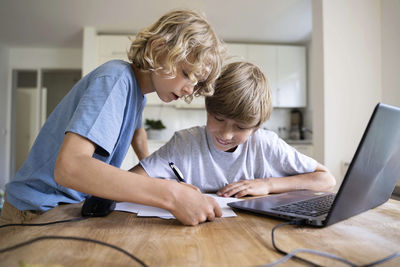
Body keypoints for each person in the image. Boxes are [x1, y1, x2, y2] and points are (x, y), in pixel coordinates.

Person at [1, 9, 225, 226]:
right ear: (158, 49)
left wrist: (154, 175)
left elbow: (138, 133)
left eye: (195, 83)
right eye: (186, 74)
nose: (189, 90)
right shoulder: (116, 79)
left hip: (60, 210)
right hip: (31, 213)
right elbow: (70, 167)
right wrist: (171, 194)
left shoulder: (138, 96)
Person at [132, 62, 336, 197]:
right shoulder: (185, 143)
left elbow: (326, 179)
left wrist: (268, 185)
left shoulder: (266, 145)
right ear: (207, 109)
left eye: (240, 127)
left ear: (256, 127)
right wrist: (170, 190)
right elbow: (131, 181)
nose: (225, 134)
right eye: (218, 119)